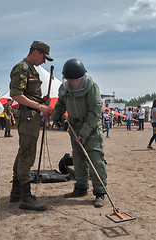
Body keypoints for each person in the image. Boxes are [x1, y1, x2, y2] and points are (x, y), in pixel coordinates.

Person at [51, 59, 107, 208]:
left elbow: (95, 112)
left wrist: (84, 132)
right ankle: (81, 187)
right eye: (70, 80)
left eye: (76, 80)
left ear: (82, 77)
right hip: (73, 126)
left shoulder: (92, 87)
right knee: (78, 158)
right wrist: (55, 117)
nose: (74, 83)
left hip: (92, 128)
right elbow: (60, 104)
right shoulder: (64, 88)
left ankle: (100, 192)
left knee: (95, 159)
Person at [9, 41, 53, 211]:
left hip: (31, 117)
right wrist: (40, 106)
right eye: (43, 57)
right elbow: (16, 94)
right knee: (27, 155)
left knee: (22, 153)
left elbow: (28, 95)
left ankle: (16, 192)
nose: (44, 61)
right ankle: (26, 198)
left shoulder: (31, 69)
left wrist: (42, 101)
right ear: (36, 52)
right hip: (27, 118)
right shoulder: (22, 68)